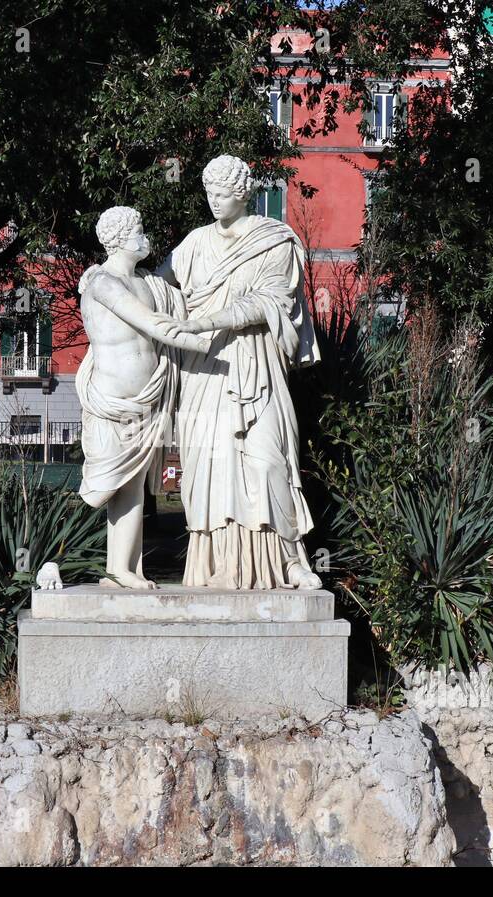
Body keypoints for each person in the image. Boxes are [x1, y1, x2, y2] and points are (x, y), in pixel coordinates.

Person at [158, 154, 323, 589]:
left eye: (222, 194)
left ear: (243, 194)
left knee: (269, 461)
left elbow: (271, 302)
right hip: (205, 370)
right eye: (209, 193)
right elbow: (156, 287)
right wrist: (108, 280)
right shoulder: (193, 243)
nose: (214, 202)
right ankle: (216, 567)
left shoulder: (273, 241)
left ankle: (287, 559)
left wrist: (205, 321)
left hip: (254, 363)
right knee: (208, 468)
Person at [76, 206, 210, 588]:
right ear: (118, 239)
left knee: (133, 485)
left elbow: (184, 293)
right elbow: (150, 323)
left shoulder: (149, 283)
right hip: (114, 402)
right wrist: (204, 343)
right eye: (138, 229)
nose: (145, 235)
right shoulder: (102, 283)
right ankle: (120, 568)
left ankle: (125, 569)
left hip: (147, 400)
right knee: (114, 485)